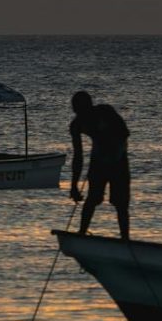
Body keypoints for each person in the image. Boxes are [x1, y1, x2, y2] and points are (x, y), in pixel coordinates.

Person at [69, 90, 130, 240]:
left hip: (118, 159)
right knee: (92, 199)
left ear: (90, 106)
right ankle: (82, 233)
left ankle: (125, 239)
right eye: (77, 111)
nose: (80, 114)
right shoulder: (76, 125)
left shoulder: (105, 111)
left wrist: (110, 148)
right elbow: (78, 156)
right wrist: (74, 185)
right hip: (99, 161)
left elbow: (124, 134)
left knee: (120, 203)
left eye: (82, 110)